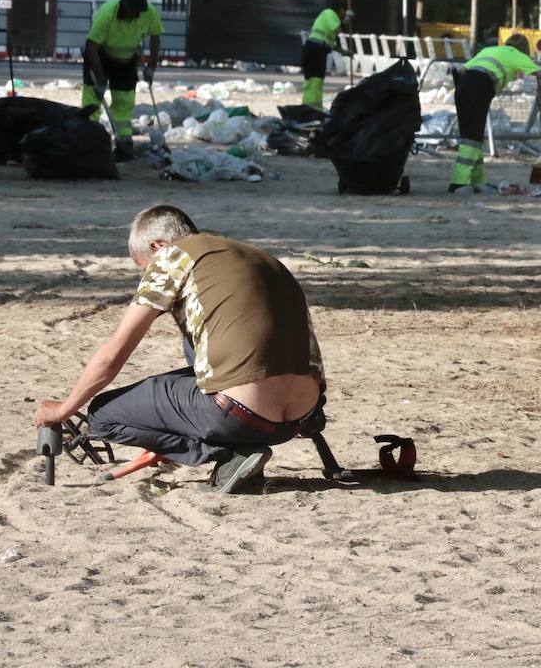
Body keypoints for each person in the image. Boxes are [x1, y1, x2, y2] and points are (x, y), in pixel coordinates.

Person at [32, 205, 327, 493]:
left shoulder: (171, 257)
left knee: (102, 414)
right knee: (199, 338)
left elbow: (113, 355)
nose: (147, 277)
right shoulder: (260, 257)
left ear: (157, 246)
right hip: (298, 419)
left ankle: (227, 455)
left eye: (144, 268)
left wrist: (63, 410)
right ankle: (236, 449)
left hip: (240, 416)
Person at [447, 33, 541, 192]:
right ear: (524, 48)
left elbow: (463, 70)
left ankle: (477, 179)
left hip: (463, 86)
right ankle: (459, 182)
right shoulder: (516, 54)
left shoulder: (490, 50)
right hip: (480, 87)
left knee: (473, 134)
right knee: (471, 137)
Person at [82, 0, 162, 160]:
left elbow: (155, 36)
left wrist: (152, 66)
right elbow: (92, 47)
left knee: (125, 101)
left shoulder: (148, 11)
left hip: (126, 60)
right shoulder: (107, 14)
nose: (136, 14)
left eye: (138, 10)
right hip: (99, 56)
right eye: (133, 9)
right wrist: (101, 80)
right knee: (92, 100)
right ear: (124, 2)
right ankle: (88, 140)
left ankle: (123, 142)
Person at [301, 0, 349, 109]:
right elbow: (338, 29)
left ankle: (306, 107)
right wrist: (347, 20)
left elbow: (329, 43)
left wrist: (343, 51)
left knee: (310, 82)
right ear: (341, 9)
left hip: (311, 48)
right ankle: (314, 108)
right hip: (317, 51)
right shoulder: (330, 14)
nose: (344, 15)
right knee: (316, 82)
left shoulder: (325, 15)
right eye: (344, 12)